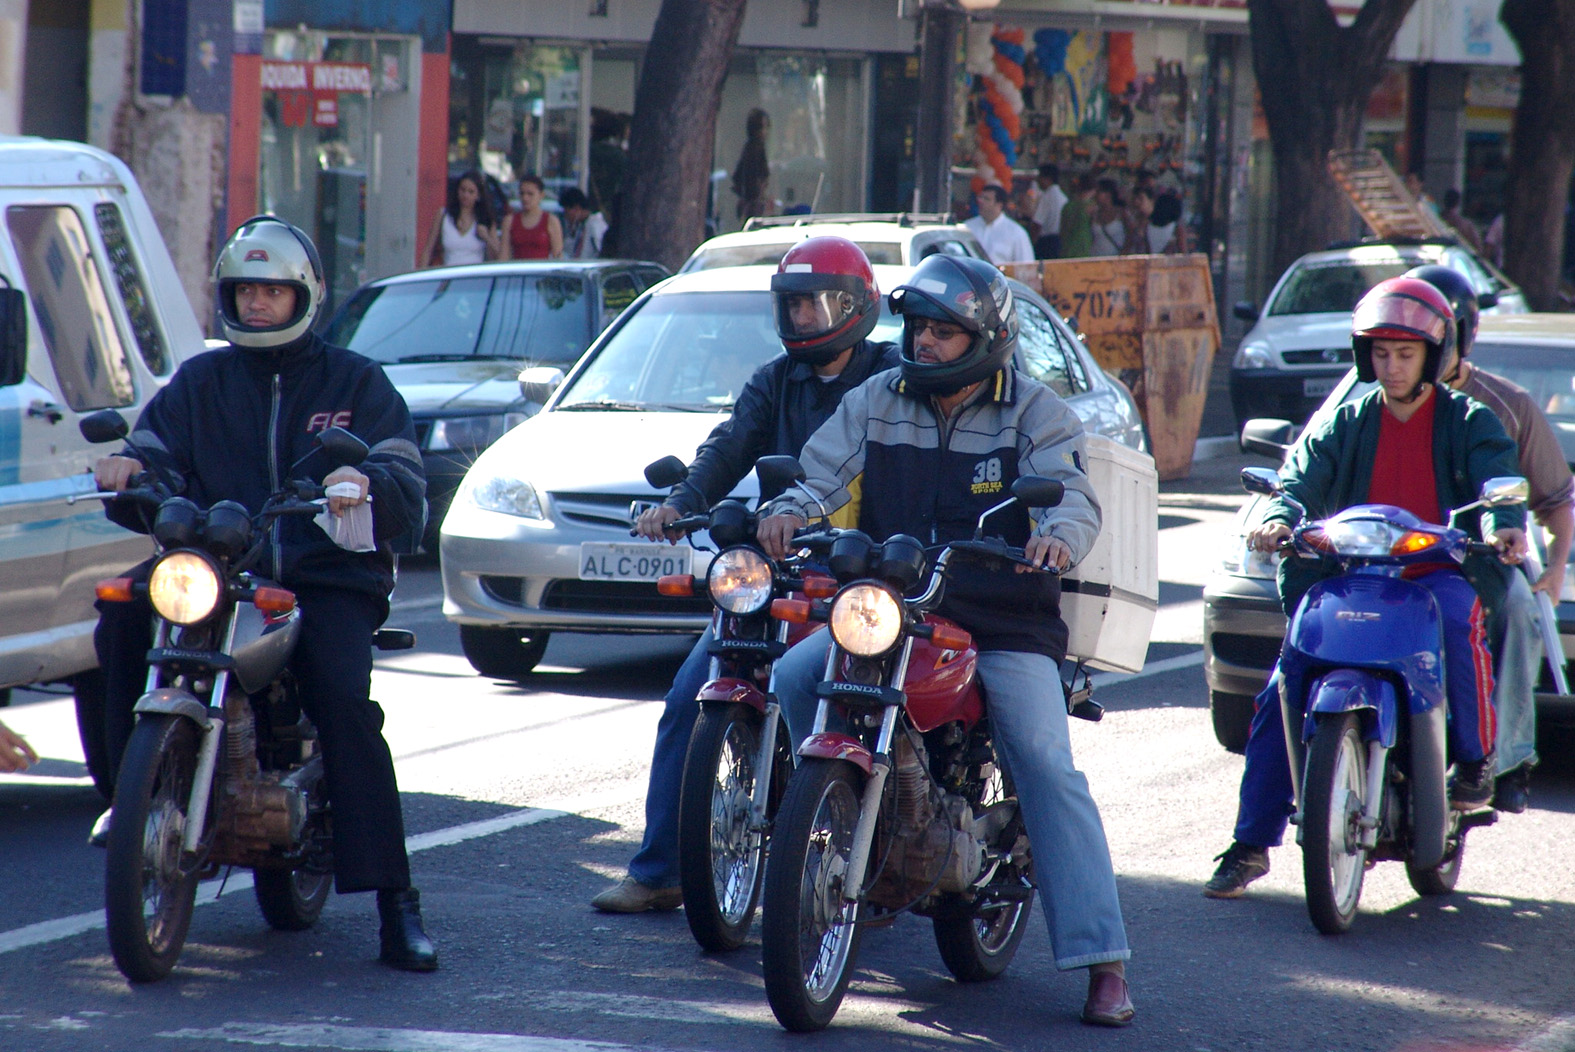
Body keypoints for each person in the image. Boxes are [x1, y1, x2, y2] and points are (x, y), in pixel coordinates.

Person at [756, 254, 1135, 1028]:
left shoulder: (1035, 411)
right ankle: (840, 822)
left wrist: (1058, 537)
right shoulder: (877, 397)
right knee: (797, 679)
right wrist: (792, 509)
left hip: (1002, 617)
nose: (923, 344)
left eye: (942, 333)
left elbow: (1069, 495)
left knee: (1041, 758)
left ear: (984, 337)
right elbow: (821, 474)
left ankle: (1102, 960)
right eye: (919, 330)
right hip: (898, 608)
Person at [89, 216, 437, 972]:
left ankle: (395, 904)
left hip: (323, 575)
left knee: (342, 699)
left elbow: (407, 478)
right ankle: (131, 793)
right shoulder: (200, 381)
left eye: (272, 291)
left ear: (303, 294)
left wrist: (365, 481)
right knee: (120, 612)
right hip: (215, 568)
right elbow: (154, 450)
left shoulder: (355, 383)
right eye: (245, 289)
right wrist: (126, 467)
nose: (256, 303)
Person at [589, 236, 901, 914]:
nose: (799, 321)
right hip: (778, 570)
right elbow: (727, 446)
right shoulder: (774, 382)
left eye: (813, 307)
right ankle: (661, 868)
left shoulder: (889, 375)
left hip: (862, 579)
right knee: (686, 698)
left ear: (854, 307)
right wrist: (680, 504)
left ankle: (865, 859)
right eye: (789, 308)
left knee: (868, 710)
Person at [1202, 276, 1527, 899]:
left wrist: (1503, 526)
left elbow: (1497, 483)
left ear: (1433, 355)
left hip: (1435, 573)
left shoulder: (1470, 420)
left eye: (1405, 353)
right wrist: (1278, 518)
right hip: (1352, 578)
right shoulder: (1346, 420)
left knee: (1463, 619)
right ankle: (1249, 843)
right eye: (1380, 353)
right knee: (1280, 685)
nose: (1392, 365)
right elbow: (1298, 480)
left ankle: (1476, 760)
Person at [1407, 264, 1574, 812]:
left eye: (1433, 334)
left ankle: (1508, 757)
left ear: (1460, 336)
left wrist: (1554, 568)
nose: (1413, 352)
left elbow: (1554, 499)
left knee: (1523, 609)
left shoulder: (1507, 405)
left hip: (1483, 561)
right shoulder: (1368, 399)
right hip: (1391, 555)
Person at [421, 170, 500, 268]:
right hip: (448, 276)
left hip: (474, 279)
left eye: (471, 192)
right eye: (463, 190)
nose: (465, 195)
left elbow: (499, 257)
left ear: (478, 195)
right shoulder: (443, 215)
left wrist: (487, 237)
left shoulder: (485, 219)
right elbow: (428, 250)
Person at [963, 184, 1034, 266]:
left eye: (986, 199)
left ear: (999, 205)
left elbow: (1026, 265)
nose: (980, 201)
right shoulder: (967, 227)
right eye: (980, 197)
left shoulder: (1016, 232)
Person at [502, 174, 562, 260]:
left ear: (541, 195)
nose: (525, 198)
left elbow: (558, 256)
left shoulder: (551, 221)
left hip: (541, 272)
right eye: (522, 193)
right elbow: (503, 256)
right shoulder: (509, 221)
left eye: (530, 194)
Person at [732, 108, 772, 223]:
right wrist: (755, 198)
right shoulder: (753, 149)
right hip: (753, 202)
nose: (765, 132)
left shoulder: (757, 148)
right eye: (761, 127)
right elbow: (747, 176)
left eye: (766, 127)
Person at [1030, 164, 1069, 259]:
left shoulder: (1047, 197)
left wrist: (1030, 243)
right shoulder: (1063, 197)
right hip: (1059, 242)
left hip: (1045, 243)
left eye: (1039, 177)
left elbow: (1037, 224)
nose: (1037, 180)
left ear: (1047, 178)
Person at [559, 187, 608, 260]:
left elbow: (600, 249)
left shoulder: (594, 224)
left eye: (567, 212)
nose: (566, 216)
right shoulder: (581, 226)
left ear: (576, 208)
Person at [1059, 173, 1096, 259]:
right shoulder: (1091, 207)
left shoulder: (1068, 206)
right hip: (1084, 246)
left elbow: (1062, 229)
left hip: (1067, 247)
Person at [1439, 189, 1485, 255]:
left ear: (1444, 201)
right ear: (1458, 202)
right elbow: (1478, 249)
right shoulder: (1467, 225)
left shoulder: (1434, 220)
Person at [1089, 178, 1127, 257]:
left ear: (1108, 194)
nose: (1095, 195)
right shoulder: (1094, 214)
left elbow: (1131, 235)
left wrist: (1124, 253)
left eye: (1098, 192)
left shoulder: (1121, 213)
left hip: (1115, 258)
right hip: (1096, 257)